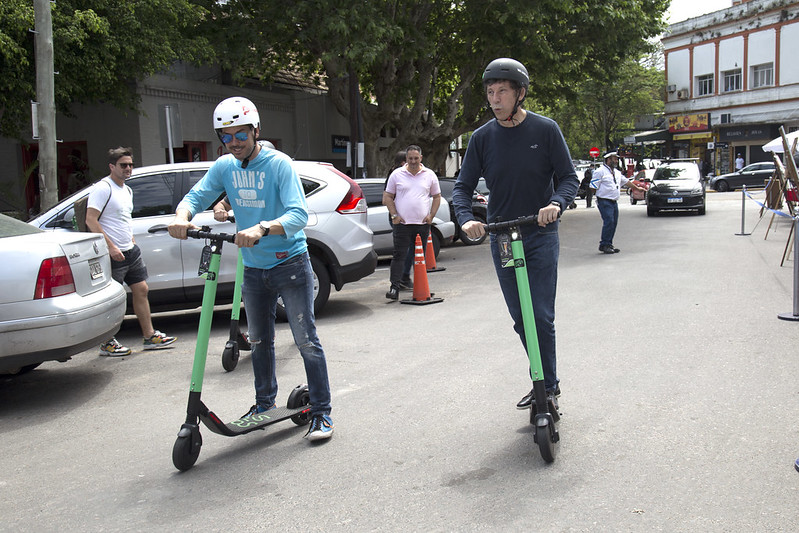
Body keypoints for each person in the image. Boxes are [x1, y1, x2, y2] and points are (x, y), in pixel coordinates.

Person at [167, 97, 333, 441]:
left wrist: (262, 227)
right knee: (259, 342)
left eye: (240, 134)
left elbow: (298, 215)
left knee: (306, 341)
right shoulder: (225, 167)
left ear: (256, 130)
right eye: (226, 137)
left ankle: (322, 413)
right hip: (254, 270)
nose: (234, 142)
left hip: (290, 263)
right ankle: (263, 404)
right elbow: (196, 196)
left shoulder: (278, 164)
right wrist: (182, 217)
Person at [452, 57, 579, 411]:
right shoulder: (482, 138)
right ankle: (541, 380)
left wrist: (556, 203)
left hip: (540, 233)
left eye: (502, 92)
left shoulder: (545, 130)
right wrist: (465, 219)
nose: (495, 99)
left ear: (520, 93)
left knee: (540, 315)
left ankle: (548, 387)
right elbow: (462, 187)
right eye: (490, 92)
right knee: (522, 318)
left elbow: (569, 178)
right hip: (503, 237)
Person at [86, 147, 177, 356]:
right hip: (113, 253)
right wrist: (111, 247)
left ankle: (150, 336)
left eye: (130, 165)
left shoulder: (127, 189)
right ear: (112, 166)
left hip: (130, 250)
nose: (128, 168)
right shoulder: (103, 188)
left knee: (142, 289)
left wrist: (132, 240)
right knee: (112, 299)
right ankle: (107, 343)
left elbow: (123, 219)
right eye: (123, 165)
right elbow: (91, 220)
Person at [382, 145, 442, 300]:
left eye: (416, 158)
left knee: (419, 258)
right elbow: (387, 196)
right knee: (399, 256)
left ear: (421, 158)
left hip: (422, 224)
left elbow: (437, 196)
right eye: (410, 159)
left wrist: (431, 216)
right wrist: (394, 215)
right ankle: (394, 288)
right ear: (406, 159)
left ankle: (422, 288)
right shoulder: (397, 174)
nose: (413, 161)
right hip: (402, 224)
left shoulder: (429, 175)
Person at [589, 151, 646, 254]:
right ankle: (604, 244)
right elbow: (593, 186)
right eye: (614, 159)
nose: (616, 161)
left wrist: (637, 188)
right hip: (604, 201)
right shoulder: (600, 172)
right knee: (609, 221)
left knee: (613, 223)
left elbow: (626, 182)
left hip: (614, 201)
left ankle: (608, 244)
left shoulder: (616, 172)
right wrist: (597, 197)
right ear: (608, 160)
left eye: (617, 159)